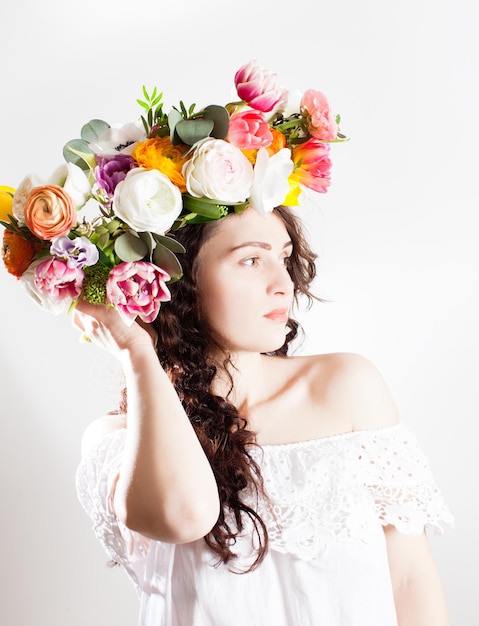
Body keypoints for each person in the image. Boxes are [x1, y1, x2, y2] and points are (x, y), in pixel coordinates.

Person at [73, 203, 453, 626]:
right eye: (251, 260)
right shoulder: (119, 440)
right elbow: (185, 517)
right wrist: (136, 350)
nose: (283, 284)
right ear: (178, 280)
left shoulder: (346, 389)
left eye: (285, 257)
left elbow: (409, 578)